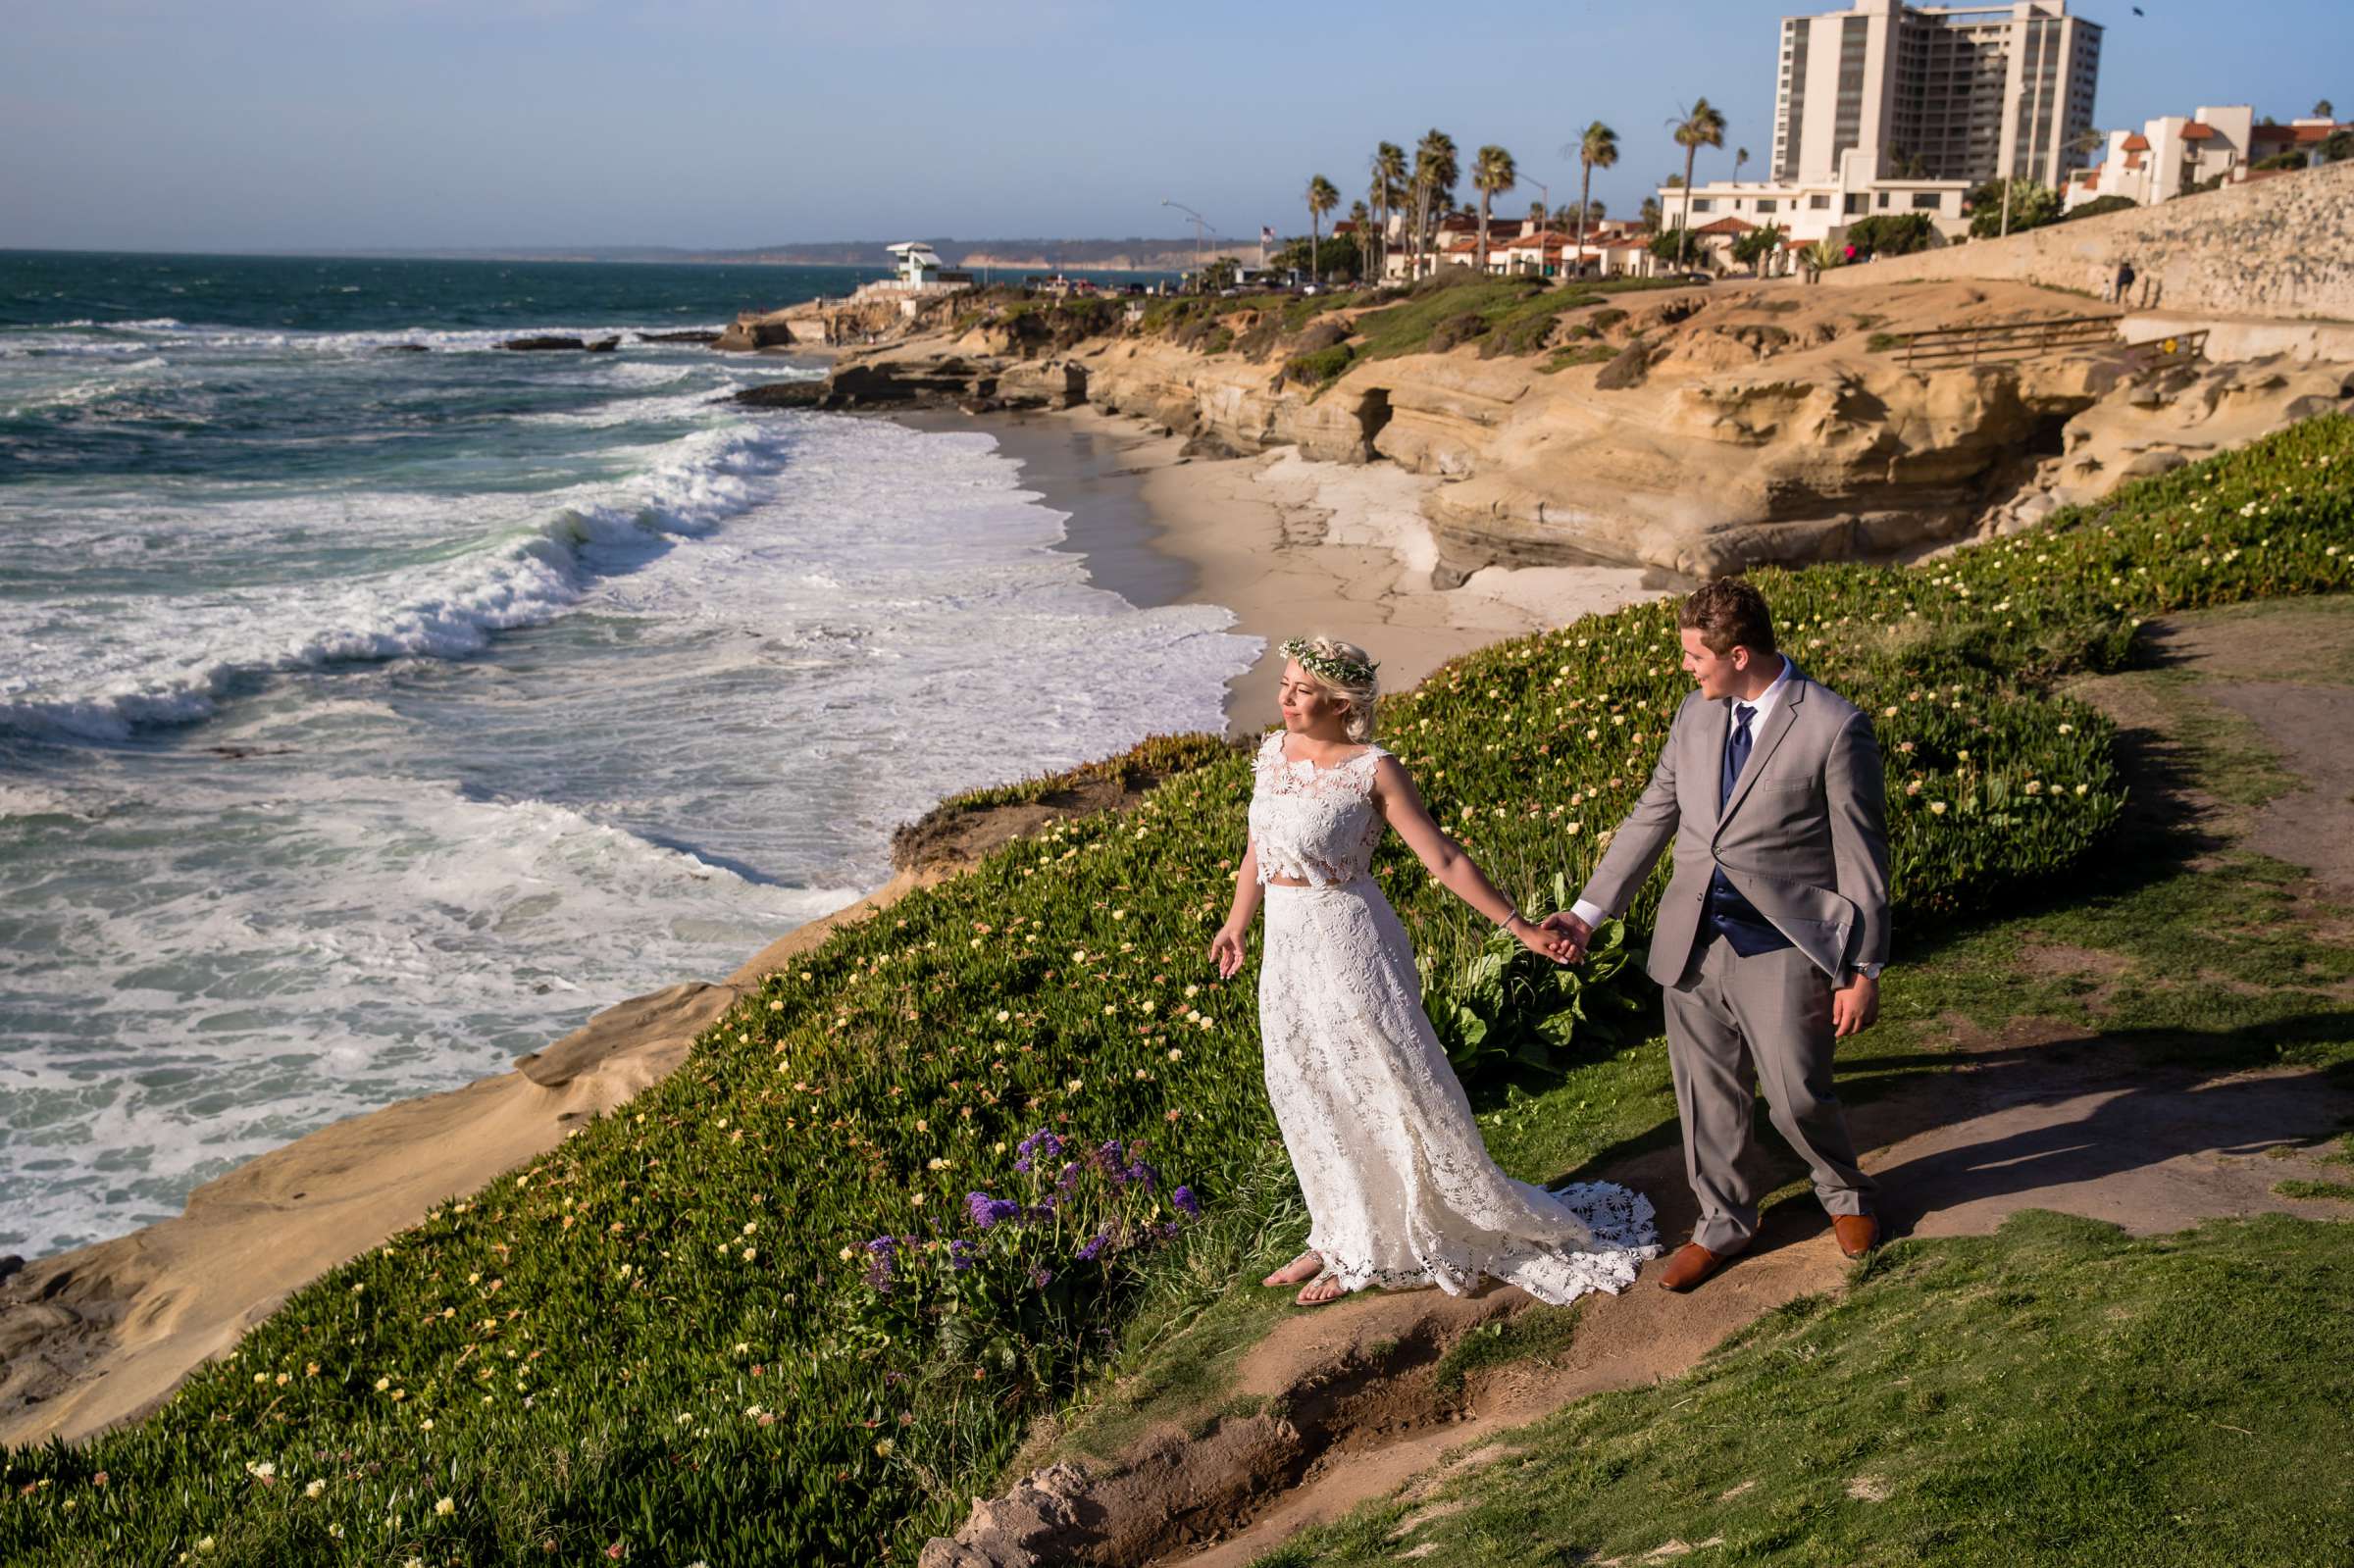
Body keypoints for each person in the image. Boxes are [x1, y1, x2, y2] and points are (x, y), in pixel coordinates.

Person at [1210, 636, 1659, 1307]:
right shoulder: (1272, 755)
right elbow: (1259, 844)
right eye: (1285, 683)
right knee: (1305, 1081)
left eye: (1300, 689)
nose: (1284, 697)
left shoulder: (1373, 769)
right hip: (1287, 947)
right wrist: (1237, 921)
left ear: (1341, 701)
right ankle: (1336, 1228)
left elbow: (1443, 858)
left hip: (1350, 943)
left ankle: (1374, 1246)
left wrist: (1520, 928)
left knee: (1382, 1080)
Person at [1545, 580, 1888, 1292]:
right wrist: (1587, 911)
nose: (1685, 667)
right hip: (1692, 940)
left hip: (1784, 946)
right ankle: (1725, 1220)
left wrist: (1863, 967)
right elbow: (1651, 817)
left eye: (1694, 655)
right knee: (1707, 1097)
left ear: (1738, 653)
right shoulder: (1694, 717)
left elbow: (1863, 856)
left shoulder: (1831, 724)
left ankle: (1844, 1194)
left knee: (1797, 1094)